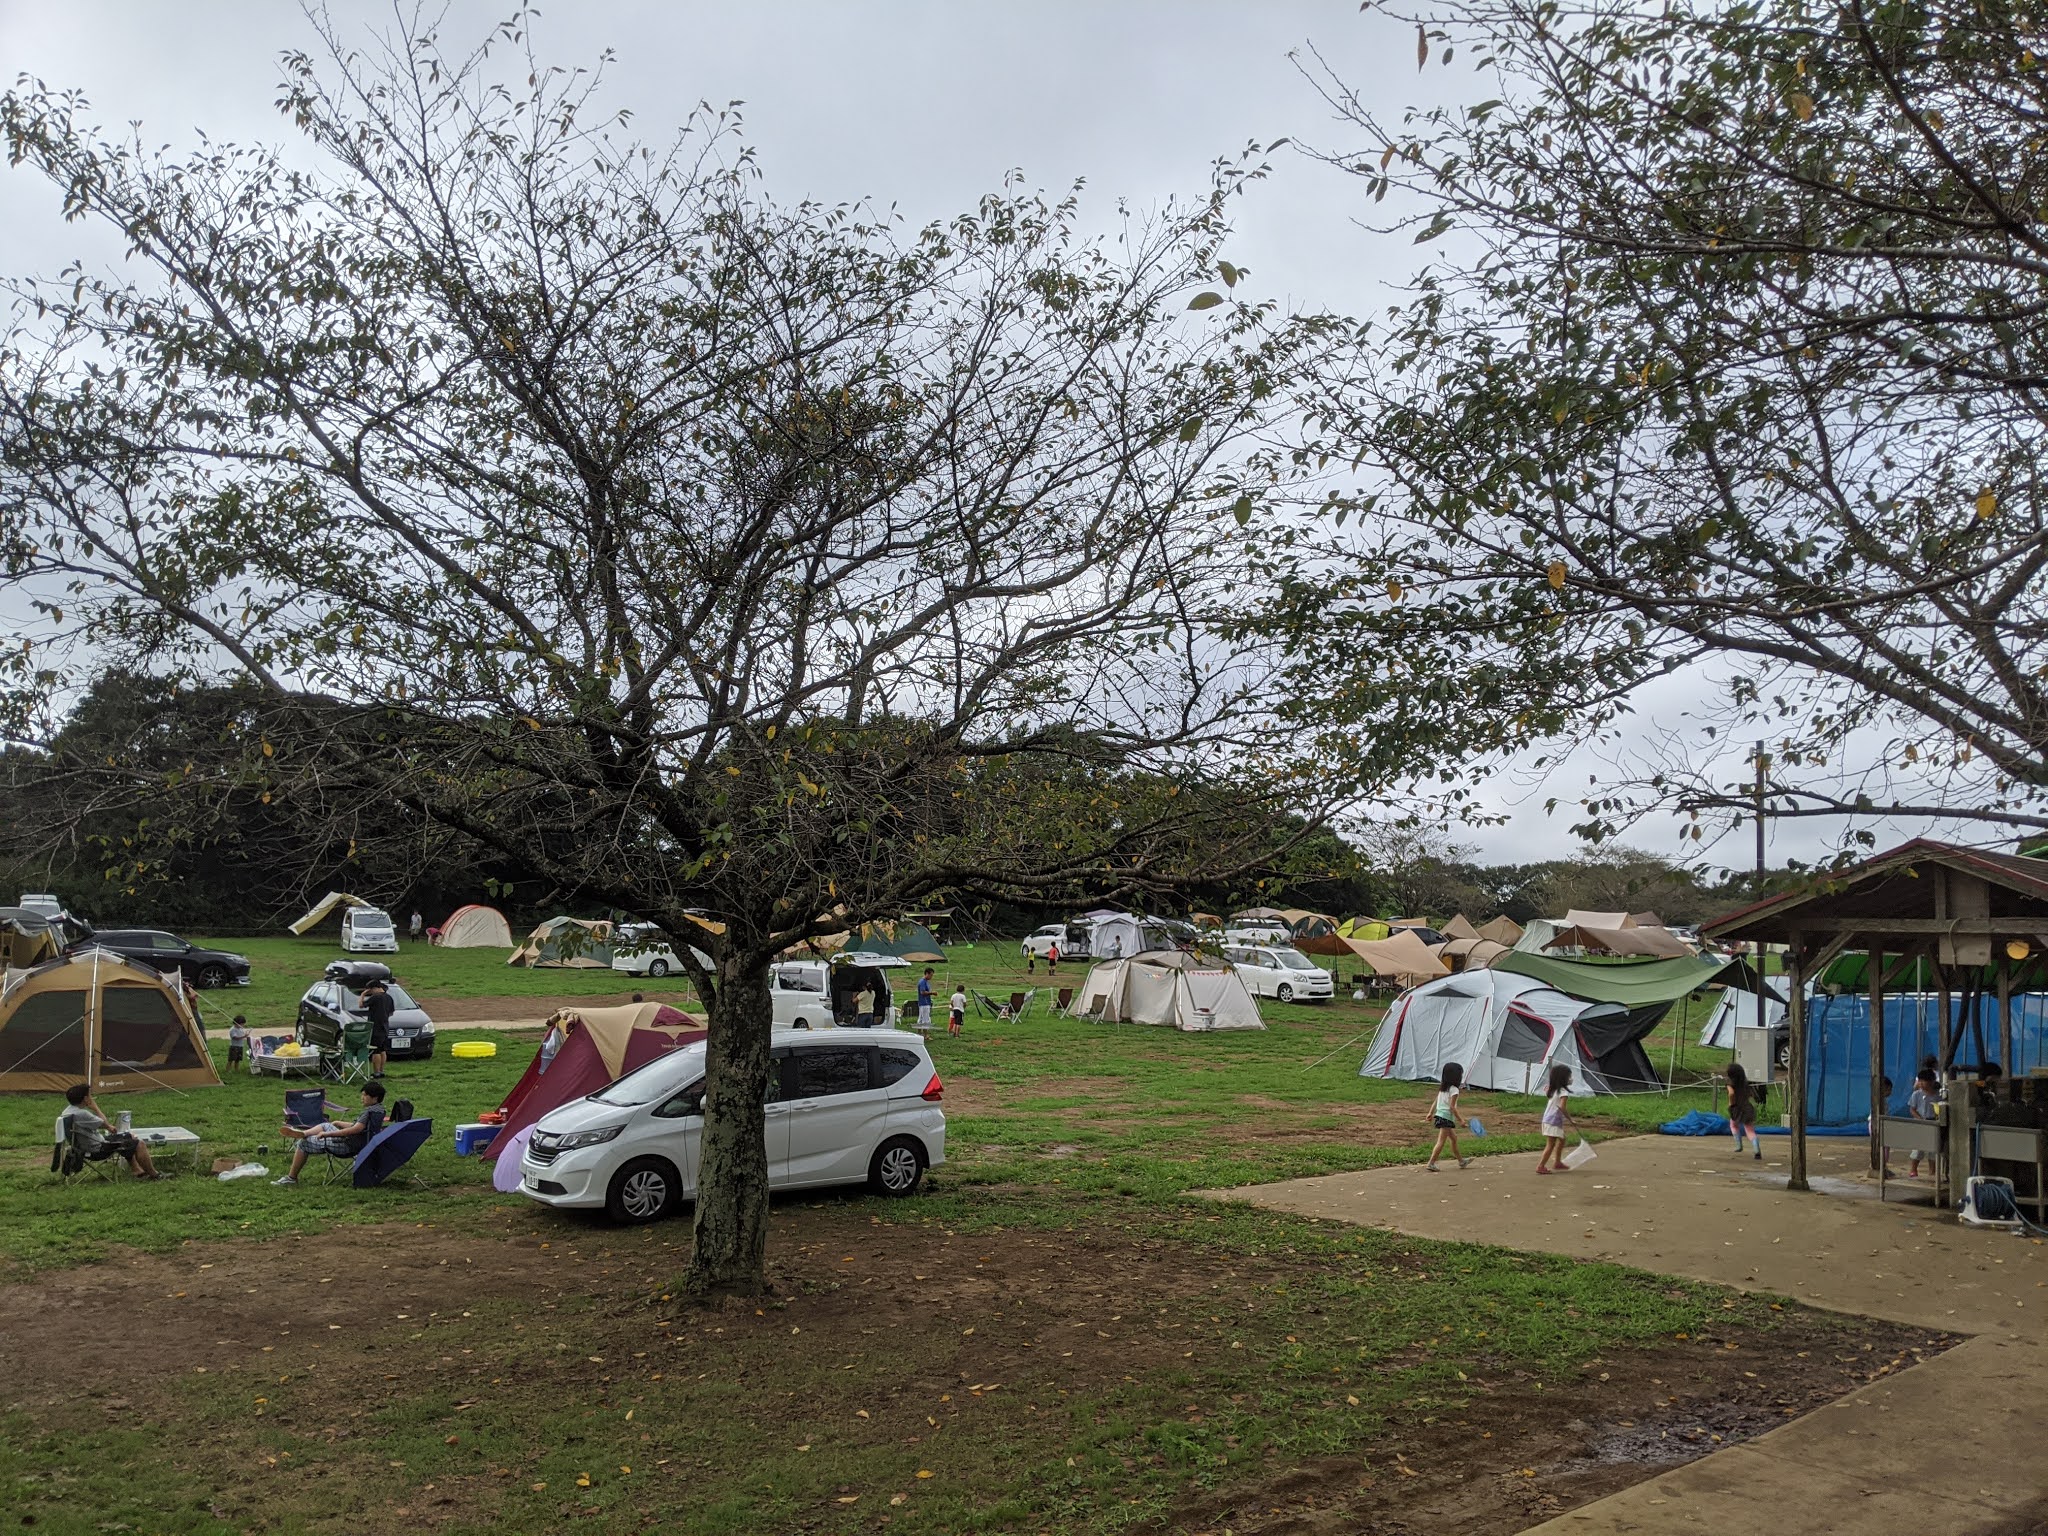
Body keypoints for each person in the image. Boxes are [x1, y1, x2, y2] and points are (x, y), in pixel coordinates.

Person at [274, 1081, 387, 1186]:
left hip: (348, 1145)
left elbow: (355, 1130)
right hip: (361, 1143)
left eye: (364, 1095)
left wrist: (327, 1135)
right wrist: (338, 1122)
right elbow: (361, 1128)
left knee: (303, 1143)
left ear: (375, 1097)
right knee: (326, 1125)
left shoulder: (368, 1112)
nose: (362, 1098)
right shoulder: (379, 1110)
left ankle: (291, 1178)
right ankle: (304, 1132)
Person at [59, 1083, 161, 1179]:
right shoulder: (82, 1114)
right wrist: (96, 1108)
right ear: (85, 1099)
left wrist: (109, 1127)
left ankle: (136, 1170)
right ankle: (154, 1175)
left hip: (81, 1147)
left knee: (128, 1136)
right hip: (98, 1149)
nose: (91, 1098)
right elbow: (104, 1123)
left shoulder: (67, 1112)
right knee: (139, 1143)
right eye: (90, 1096)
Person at [1426, 1062, 1468, 1172]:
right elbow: (1452, 1107)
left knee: (1454, 1138)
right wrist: (1461, 1120)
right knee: (1441, 1141)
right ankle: (1431, 1163)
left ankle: (1461, 1161)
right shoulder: (1454, 1090)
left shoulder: (1443, 1088)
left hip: (1440, 1116)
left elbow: (1436, 1101)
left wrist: (1430, 1113)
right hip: (1446, 1118)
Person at [1534, 1063, 1574, 1174]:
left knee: (1562, 1139)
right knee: (1551, 1144)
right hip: (1553, 1121)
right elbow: (1562, 1107)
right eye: (1569, 1076)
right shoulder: (1563, 1092)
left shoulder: (1553, 1089)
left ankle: (1557, 1162)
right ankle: (1541, 1166)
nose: (1571, 1079)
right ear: (1563, 1078)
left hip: (1548, 1120)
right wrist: (1570, 1119)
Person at [1726, 1062, 1763, 1161]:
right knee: (1750, 1130)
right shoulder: (1746, 1083)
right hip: (1747, 1107)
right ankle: (1756, 1149)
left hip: (1736, 1108)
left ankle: (1738, 1145)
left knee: (1733, 1125)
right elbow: (1751, 1094)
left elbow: (1731, 1094)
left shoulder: (1730, 1084)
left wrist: (1731, 1103)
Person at [1907, 1067, 1940, 1177]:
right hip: (1920, 1124)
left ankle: (1932, 1172)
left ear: (1931, 1081)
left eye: (1923, 1081)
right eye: (1919, 1081)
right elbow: (1912, 1109)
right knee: (1918, 1148)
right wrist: (1919, 1118)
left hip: (1933, 1123)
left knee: (1933, 1150)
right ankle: (1913, 1170)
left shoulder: (1938, 1095)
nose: (1920, 1083)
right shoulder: (1916, 1094)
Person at [363, 978, 396, 1079]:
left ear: (375, 988)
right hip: (385, 1027)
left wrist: (362, 995)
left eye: (371, 990)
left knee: (375, 1051)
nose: (371, 992)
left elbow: (361, 1005)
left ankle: (376, 1072)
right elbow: (391, 1012)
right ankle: (381, 1071)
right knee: (382, 1050)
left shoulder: (375, 998)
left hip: (375, 1028)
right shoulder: (389, 997)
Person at [915, 967, 935, 1037]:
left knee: (921, 1018)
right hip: (924, 1003)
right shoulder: (922, 982)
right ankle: (925, 1035)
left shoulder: (925, 982)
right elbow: (922, 992)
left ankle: (919, 1033)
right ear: (927, 973)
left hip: (925, 1003)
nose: (931, 977)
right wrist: (932, 993)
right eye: (931, 975)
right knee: (925, 1019)